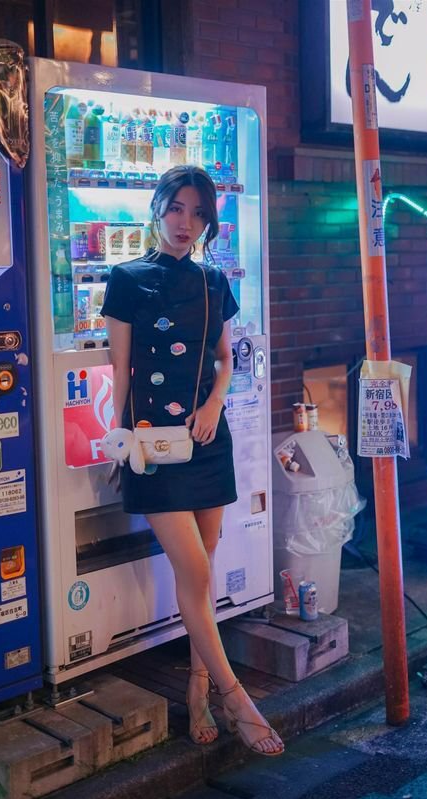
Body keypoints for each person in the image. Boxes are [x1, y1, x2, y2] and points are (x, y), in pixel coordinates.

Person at [101, 165, 284, 756]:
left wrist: (212, 405)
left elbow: (227, 359)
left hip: (207, 440)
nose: (187, 223)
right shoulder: (126, 279)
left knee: (203, 565)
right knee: (199, 574)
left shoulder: (213, 281)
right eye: (177, 208)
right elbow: (121, 370)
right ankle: (236, 696)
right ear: (158, 208)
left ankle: (198, 686)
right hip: (152, 446)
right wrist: (119, 439)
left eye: (199, 213)